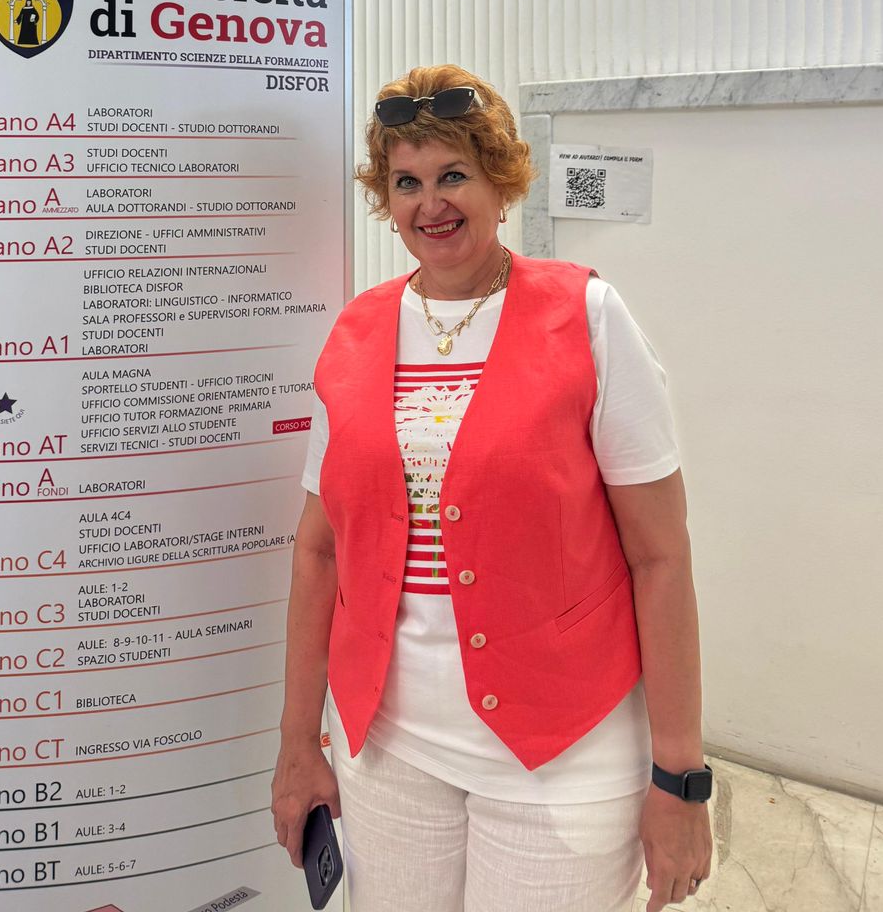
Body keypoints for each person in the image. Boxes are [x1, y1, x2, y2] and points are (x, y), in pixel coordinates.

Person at [272, 65, 712, 912]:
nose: (430, 203)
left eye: (453, 175)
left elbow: (661, 557)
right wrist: (299, 743)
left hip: (561, 757)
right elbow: (318, 551)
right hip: (386, 750)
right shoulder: (356, 332)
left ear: (501, 183)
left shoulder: (588, 317)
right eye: (406, 182)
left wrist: (680, 778)